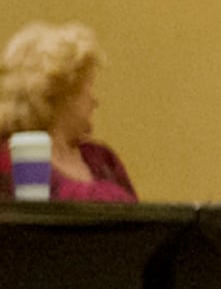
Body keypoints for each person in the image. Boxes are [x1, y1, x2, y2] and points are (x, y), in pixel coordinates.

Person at [0, 24, 135, 203]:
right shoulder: (17, 163)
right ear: (63, 95)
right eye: (89, 87)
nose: (95, 101)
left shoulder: (103, 159)